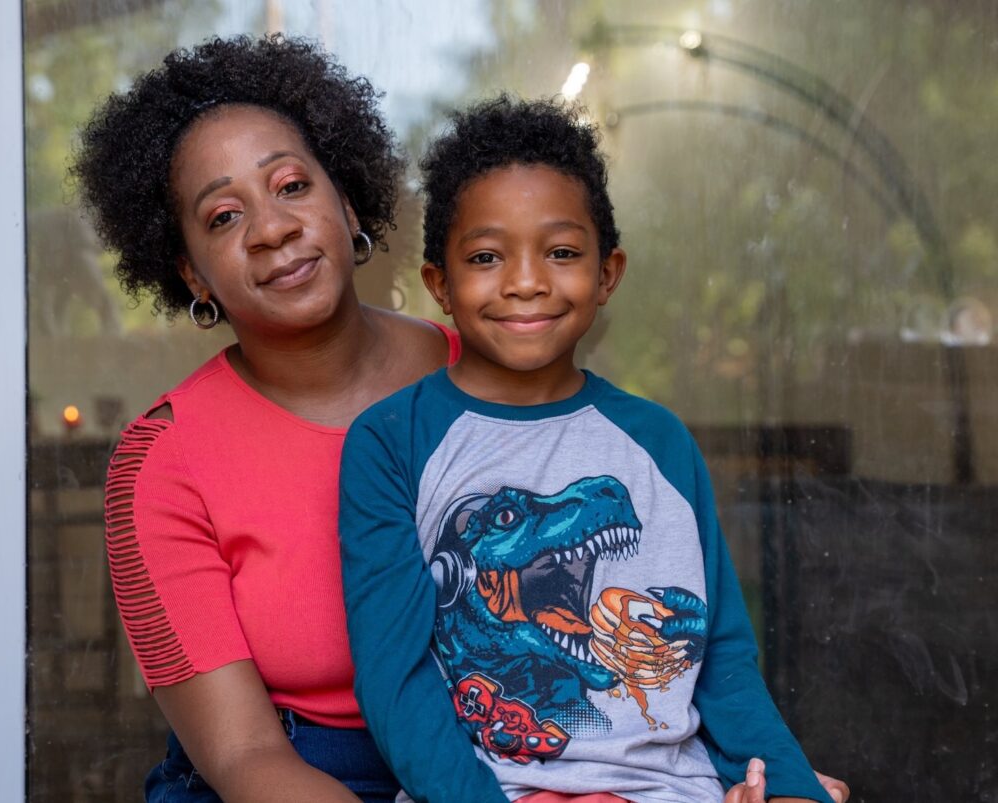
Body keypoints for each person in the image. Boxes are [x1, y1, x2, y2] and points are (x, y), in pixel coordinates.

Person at [338, 96, 850, 803]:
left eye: (562, 252)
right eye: (487, 256)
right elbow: (396, 681)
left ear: (607, 273)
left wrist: (792, 786)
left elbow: (721, 653)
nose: (526, 280)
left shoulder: (658, 440)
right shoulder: (392, 443)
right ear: (440, 285)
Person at [74, 35, 460, 802]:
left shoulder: (480, 374)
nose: (272, 228)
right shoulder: (163, 460)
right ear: (191, 272)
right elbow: (245, 754)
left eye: (290, 185)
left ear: (345, 203)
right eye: (222, 216)